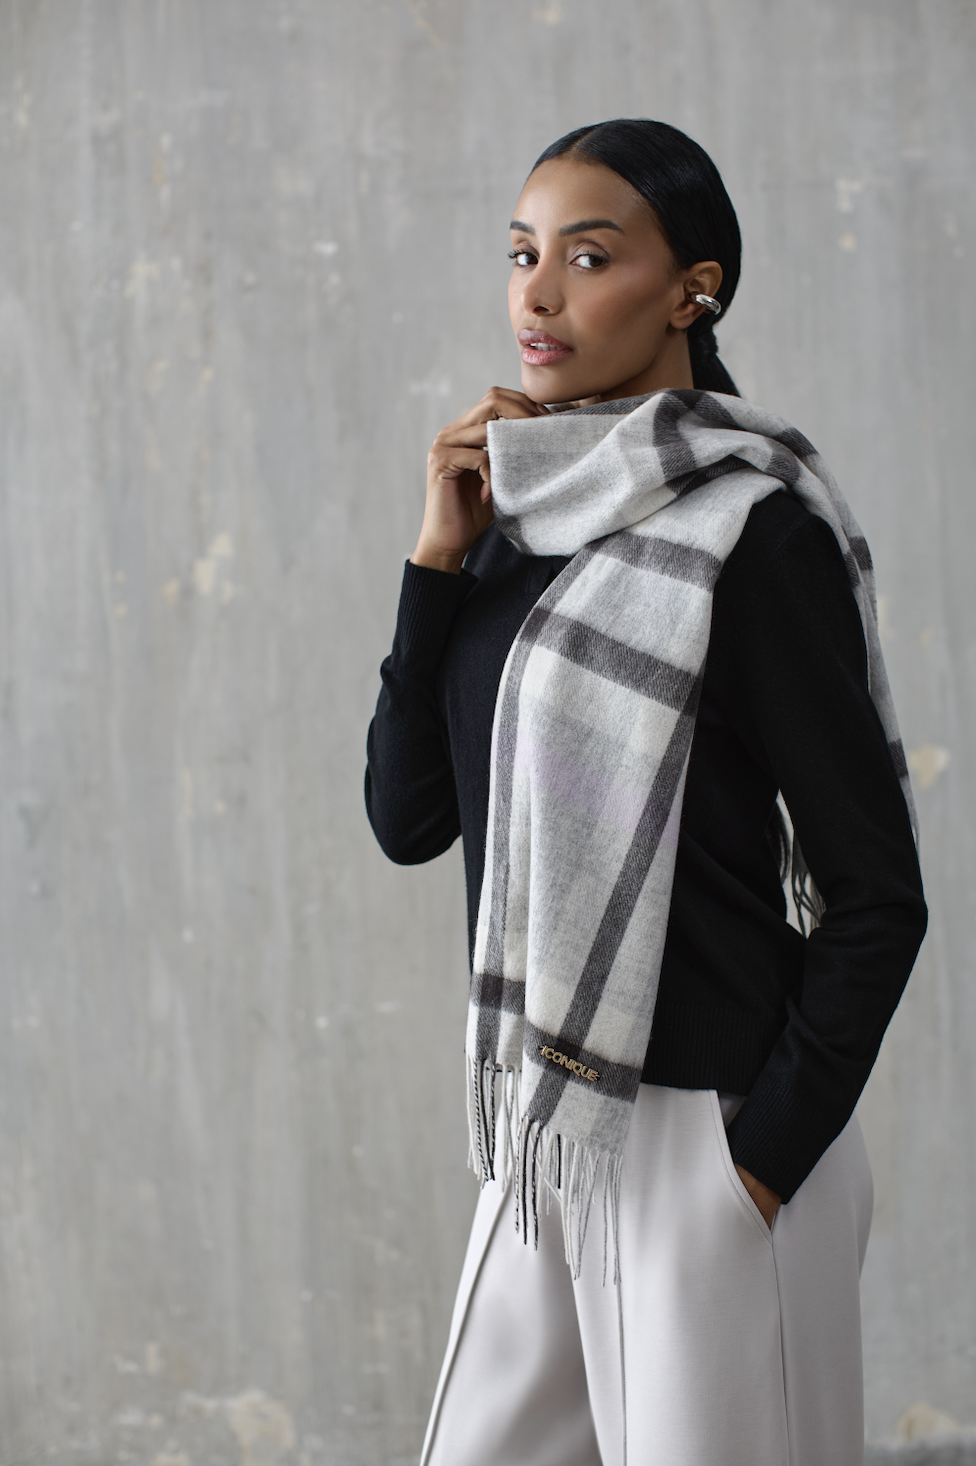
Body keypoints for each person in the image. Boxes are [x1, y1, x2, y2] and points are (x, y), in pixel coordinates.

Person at [364, 119, 927, 1466]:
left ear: (694, 289)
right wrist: (435, 568)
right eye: (522, 255)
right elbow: (408, 819)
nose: (538, 295)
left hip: (708, 1134)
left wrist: (760, 1162)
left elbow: (875, 894)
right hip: (548, 1122)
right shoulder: (513, 523)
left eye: (588, 255)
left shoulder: (753, 535)